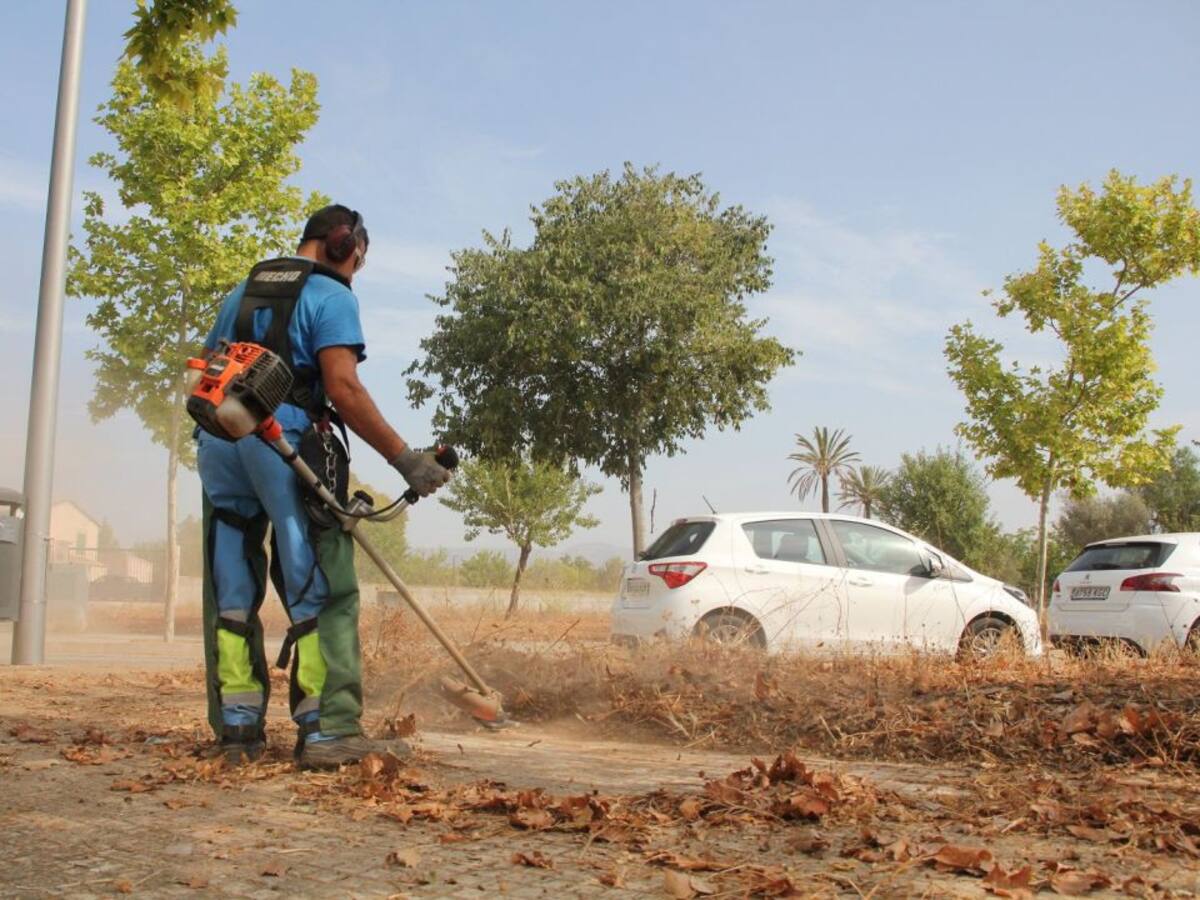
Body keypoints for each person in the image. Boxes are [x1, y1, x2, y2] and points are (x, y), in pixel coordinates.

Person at [196, 205, 451, 769]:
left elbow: (211, 367)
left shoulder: (242, 290)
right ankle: (328, 728)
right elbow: (343, 387)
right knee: (320, 585)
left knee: (231, 586)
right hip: (279, 440)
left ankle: (237, 730)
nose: (355, 270)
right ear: (344, 244)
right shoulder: (332, 294)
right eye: (358, 259)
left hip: (219, 440)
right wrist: (405, 459)